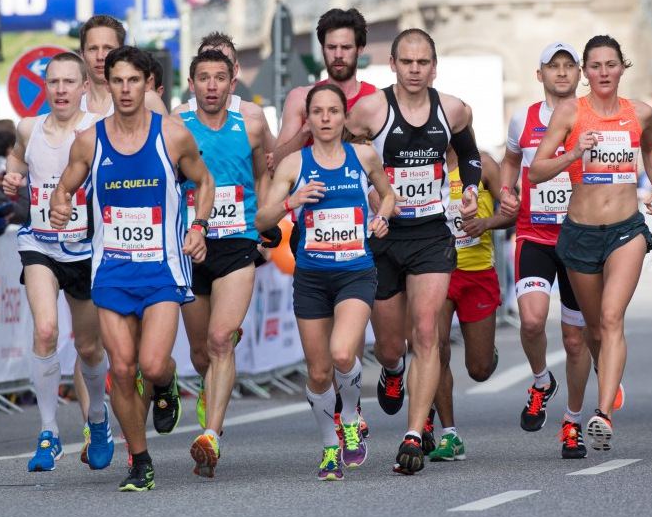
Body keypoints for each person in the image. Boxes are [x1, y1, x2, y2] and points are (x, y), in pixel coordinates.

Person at [50, 45, 214, 491]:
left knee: (152, 362)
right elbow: (64, 187)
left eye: (133, 81)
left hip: (162, 269)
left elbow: (204, 182)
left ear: (148, 85)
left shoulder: (173, 135)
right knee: (121, 370)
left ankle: (165, 384)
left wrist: (197, 226)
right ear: (108, 83)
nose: (125, 89)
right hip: (112, 271)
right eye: (117, 80)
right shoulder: (90, 140)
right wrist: (59, 206)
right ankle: (140, 461)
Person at [345, 28, 481, 474]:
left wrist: (471, 189)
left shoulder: (453, 109)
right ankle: (392, 372)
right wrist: (369, 201)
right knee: (389, 346)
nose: (416, 70)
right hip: (385, 237)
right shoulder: (369, 111)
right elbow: (347, 165)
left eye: (423, 63)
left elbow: (470, 152)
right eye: (408, 62)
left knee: (426, 334)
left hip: (431, 236)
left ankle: (413, 431)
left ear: (434, 67)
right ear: (393, 65)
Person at [529, 35, 652, 452]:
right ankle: (608, 369)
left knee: (610, 318)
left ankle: (602, 414)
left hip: (626, 229)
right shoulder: (572, 112)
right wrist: (573, 154)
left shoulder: (640, 113)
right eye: (596, 66)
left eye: (611, 65)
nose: (604, 73)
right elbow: (536, 171)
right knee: (593, 329)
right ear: (585, 72)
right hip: (580, 233)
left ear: (623, 68)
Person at [256, 83, 394, 480]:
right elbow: (262, 220)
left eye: (334, 111)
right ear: (309, 119)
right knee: (318, 373)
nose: (327, 119)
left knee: (341, 354)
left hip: (355, 270)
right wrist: (291, 203)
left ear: (344, 116)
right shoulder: (293, 166)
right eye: (318, 112)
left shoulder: (363, 155)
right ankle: (330, 446)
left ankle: (349, 416)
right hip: (312, 276)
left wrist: (381, 216)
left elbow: (388, 195)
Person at [2, 52, 114, 472]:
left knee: (88, 347)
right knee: (45, 329)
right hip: (40, 244)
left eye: (70, 82)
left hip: (85, 248)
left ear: (85, 87)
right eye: (54, 83)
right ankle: (48, 432)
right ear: (45, 88)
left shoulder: (98, 130)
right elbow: (17, 157)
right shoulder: (29, 127)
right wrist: (13, 175)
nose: (61, 90)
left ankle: (98, 418)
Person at [500, 42, 599, 459]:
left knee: (576, 342)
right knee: (532, 320)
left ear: (579, 74)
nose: (561, 73)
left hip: (579, 239)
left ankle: (572, 423)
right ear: (539, 75)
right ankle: (542, 380)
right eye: (552, 67)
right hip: (535, 235)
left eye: (568, 66)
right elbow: (509, 160)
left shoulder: (592, 117)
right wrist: (506, 189)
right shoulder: (523, 119)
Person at [176, 49, 270, 478]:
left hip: (237, 242)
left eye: (219, 78)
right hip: (190, 246)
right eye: (203, 78)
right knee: (200, 352)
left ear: (232, 82)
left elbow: (268, 165)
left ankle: (211, 435)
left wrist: (265, 215)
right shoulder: (176, 125)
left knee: (220, 339)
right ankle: (208, 393)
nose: (211, 86)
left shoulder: (250, 123)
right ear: (191, 83)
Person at [428, 147, 514, 461]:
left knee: (479, 370)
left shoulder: (484, 164)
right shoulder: (423, 163)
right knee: (434, 348)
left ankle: (486, 351)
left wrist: (488, 223)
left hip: (478, 273)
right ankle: (449, 434)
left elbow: (513, 211)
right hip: (436, 270)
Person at [273, 8, 378, 164]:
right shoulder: (301, 98)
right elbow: (277, 162)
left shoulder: (376, 99)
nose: (338, 55)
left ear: (360, 50)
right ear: (322, 49)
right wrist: (306, 131)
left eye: (346, 47)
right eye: (331, 47)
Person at [172, 32, 277, 154]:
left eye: (222, 61)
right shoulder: (179, 116)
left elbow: (274, 156)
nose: (215, 65)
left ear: (235, 69)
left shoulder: (253, 114)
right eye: (208, 59)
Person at [77, 15, 167, 116]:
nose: (100, 56)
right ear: (82, 54)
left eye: (108, 48)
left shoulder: (146, 100)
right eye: (93, 49)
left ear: (121, 51)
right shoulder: (72, 103)